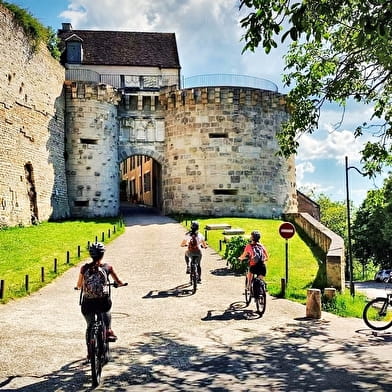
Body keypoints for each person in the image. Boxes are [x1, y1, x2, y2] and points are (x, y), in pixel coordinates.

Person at [75, 242, 125, 356]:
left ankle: (90, 350)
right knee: (106, 310)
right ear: (102, 255)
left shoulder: (84, 268)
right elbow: (118, 281)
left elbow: (79, 284)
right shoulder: (107, 267)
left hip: (88, 303)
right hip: (102, 301)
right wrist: (120, 284)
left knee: (90, 325)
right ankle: (108, 330)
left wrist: (79, 287)